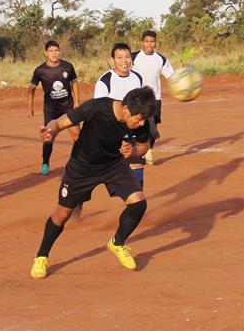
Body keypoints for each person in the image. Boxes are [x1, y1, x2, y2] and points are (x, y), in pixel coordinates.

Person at [30, 86, 157, 279]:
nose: (140, 124)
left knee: (139, 204)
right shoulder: (97, 108)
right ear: (125, 109)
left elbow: (142, 146)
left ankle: (117, 243)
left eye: (142, 120)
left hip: (113, 165)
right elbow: (60, 122)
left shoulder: (142, 121)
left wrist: (133, 151)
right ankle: (41, 257)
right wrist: (51, 132)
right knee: (61, 215)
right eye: (137, 119)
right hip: (81, 168)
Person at [95, 43, 147, 187]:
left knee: (137, 169)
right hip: (112, 133)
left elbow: (141, 105)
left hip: (133, 131)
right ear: (113, 59)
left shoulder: (137, 78)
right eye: (120, 57)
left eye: (127, 57)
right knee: (105, 176)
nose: (124, 61)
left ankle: (137, 205)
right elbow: (99, 111)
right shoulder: (104, 81)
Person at [27, 40, 80, 175]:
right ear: (46, 53)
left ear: (59, 51)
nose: (54, 53)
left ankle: (80, 163)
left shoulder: (68, 66)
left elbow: (74, 83)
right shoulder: (40, 70)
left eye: (56, 50)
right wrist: (30, 107)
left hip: (68, 107)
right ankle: (45, 163)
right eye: (51, 51)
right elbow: (31, 89)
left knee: (77, 136)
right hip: (51, 108)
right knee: (49, 136)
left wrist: (77, 102)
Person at [131, 30, 175, 164]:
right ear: (142, 42)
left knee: (153, 125)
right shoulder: (133, 57)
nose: (149, 44)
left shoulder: (161, 59)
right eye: (147, 41)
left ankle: (147, 149)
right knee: (140, 124)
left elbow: (171, 76)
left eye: (152, 41)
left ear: (155, 42)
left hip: (155, 97)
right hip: (138, 97)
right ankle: (140, 151)